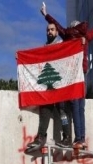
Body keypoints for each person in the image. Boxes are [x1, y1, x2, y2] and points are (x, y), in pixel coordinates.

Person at [41, 4, 93, 148]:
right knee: (80, 107)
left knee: (74, 105)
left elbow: (57, 26)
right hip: (82, 74)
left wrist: (46, 14)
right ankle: (81, 138)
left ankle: (77, 138)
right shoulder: (84, 37)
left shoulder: (67, 35)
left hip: (72, 74)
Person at [27, 22, 72, 150]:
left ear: (57, 32)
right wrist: (21, 58)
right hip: (48, 86)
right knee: (45, 111)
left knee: (62, 112)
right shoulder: (44, 48)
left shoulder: (61, 45)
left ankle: (67, 137)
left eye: (52, 29)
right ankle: (41, 137)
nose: (49, 32)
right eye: (48, 30)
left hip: (60, 85)